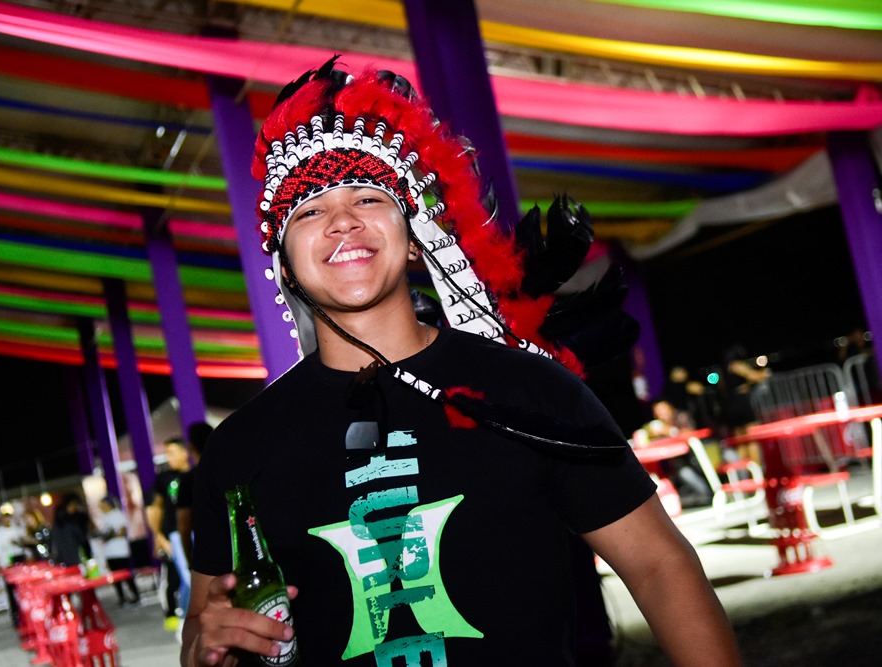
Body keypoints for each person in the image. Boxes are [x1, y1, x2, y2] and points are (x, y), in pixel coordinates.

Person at [182, 60, 741, 666]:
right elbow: (203, 634)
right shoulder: (240, 449)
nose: (343, 220)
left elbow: (658, 565)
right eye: (310, 211)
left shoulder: (529, 389)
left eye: (368, 197)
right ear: (284, 264)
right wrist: (206, 648)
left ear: (415, 237)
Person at [147, 437, 193, 631]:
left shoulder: (194, 474)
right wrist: (158, 537)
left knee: (197, 574)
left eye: (171, 452)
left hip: (196, 531)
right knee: (185, 576)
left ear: (185, 453)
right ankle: (182, 615)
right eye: (166, 453)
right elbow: (154, 508)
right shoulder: (164, 478)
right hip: (174, 534)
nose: (168, 457)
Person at [178, 421, 214, 570]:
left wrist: (190, 559)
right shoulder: (230, 472)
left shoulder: (189, 479)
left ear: (191, 446)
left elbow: (184, 527)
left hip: (209, 548)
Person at [96, 495, 141, 606]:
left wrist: (109, 536)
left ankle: (136, 596)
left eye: (102, 505)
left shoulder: (117, 515)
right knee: (115, 577)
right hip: (109, 553)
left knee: (127, 575)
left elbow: (122, 532)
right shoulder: (103, 518)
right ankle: (122, 598)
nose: (101, 507)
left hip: (121, 551)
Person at [0, 507, 28, 627]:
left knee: (25, 589)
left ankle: (26, 615)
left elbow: (25, 541)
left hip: (20, 560)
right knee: (12, 592)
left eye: (8, 518)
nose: (7, 520)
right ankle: (16, 617)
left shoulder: (17, 529)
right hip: (7, 564)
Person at [51, 493, 92, 567]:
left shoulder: (77, 517)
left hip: (70, 554)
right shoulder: (67, 521)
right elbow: (81, 537)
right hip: (71, 554)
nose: (75, 507)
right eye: (74, 504)